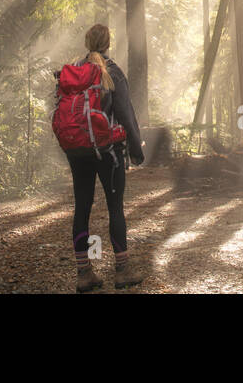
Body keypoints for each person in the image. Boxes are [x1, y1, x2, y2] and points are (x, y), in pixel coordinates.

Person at [58, 23, 144, 292]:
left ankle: (84, 274)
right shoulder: (112, 71)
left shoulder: (73, 70)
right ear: (108, 42)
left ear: (87, 42)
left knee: (82, 206)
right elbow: (126, 114)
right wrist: (136, 150)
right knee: (115, 206)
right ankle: (122, 271)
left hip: (78, 149)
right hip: (108, 150)